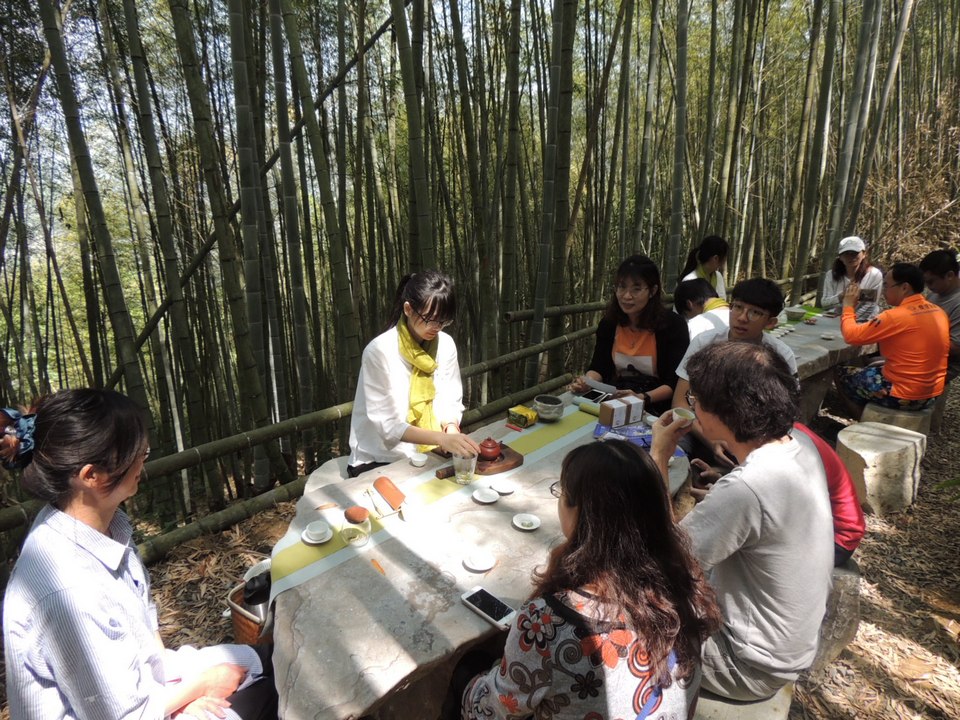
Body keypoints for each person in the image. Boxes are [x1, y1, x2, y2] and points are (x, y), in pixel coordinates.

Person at [2, 390, 278, 720]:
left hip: (146, 687)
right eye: (137, 453)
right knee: (274, 695)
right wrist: (201, 687)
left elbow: (148, 653)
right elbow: (120, 715)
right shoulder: (67, 588)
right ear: (91, 476)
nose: (143, 460)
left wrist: (185, 693)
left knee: (273, 659)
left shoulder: (105, 525)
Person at [460, 441, 721, 719]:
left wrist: (470, 688)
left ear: (580, 512)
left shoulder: (547, 621)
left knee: (468, 671)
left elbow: (492, 712)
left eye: (561, 493)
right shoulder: (689, 584)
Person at [651, 342, 834, 702]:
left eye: (695, 400)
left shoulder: (748, 488)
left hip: (743, 664)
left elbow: (663, 562)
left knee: (620, 611)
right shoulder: (799, 443)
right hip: (785, 646)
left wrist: (659, 455)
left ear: (722, 411)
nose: (693, 408)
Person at [348, 270, 480, 476]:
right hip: (379, 458)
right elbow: (389, 426)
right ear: (408, 309)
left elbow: (450, 398)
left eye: (444, 321)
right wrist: (441, 439)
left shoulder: (445, 345)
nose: (437, 327)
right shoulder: (379, 352)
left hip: (429, 450)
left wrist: (451, 429)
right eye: (430, 319)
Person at [671, 278, 796, 466]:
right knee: (674, 446)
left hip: (750, 440)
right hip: (699, 429)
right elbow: (680, 402)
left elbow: (784, 417)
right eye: (737, 307)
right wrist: (711, 440)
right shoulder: (705, 343)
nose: (742, 317)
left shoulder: (780, 356)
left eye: (755, 312)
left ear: (770, 322)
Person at [570, 255, 689, 415]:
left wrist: (642, 397)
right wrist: (587, 381)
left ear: (652, 291)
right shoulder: (609, 323)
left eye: (636, 289)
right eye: (621, 287)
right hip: (614, 399)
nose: (626, 296)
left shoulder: (673, 325)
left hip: (654, 406)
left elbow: (673, 383)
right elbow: (599, 367)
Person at [835, 262, 950, 418]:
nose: (883, 291)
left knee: (841, 372)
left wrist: (848, 307)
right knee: (870, 365)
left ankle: (861, 422)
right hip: (933, 392)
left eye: (887, 285)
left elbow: (851, 336)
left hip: (904, 394)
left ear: (904, 287)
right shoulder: (939, 312)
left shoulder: (895, 316)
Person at [920, 249, 960, 381]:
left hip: (943, 365)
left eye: (931, 282)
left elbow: (955, 347)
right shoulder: (934, 294)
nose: (928, 286)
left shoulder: (957, 303)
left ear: (949, 275)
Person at [821, 235, 883, 322]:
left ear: (864, 254)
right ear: (840, 257)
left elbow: (870, 306)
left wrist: (848, 321)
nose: (851, 257)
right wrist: (841, 296)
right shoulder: (831, 275)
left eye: (855, 253)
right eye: (846, 253)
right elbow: (824, 304)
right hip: (835, 320)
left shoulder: (874, 275)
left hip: (864, 322)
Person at [679, 235, 729, 299]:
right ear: (715, 258)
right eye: (724, 258)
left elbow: (722, 301)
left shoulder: (718, 276)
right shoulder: (689, 280)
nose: (724, 261)